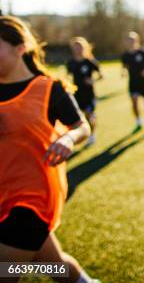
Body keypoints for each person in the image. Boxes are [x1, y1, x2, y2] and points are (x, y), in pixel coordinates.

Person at [0, 16, 99, 283]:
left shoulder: (48, 89)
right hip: (2, 194)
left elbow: (82, 127)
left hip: (33, 198)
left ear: (19, 48)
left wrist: (68, 139)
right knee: (53, 266)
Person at [66, 37, 103, 146]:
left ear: (85, 48)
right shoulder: (71, 62)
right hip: (76, 94)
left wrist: (92, 80)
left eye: (80, 47)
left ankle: (92, 135)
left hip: (89, 94)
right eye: (76, 47)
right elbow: (68, 76)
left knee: (88, 115)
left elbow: (101, 76)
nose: (78, 49)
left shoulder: (90, 62)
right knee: (77, 118)